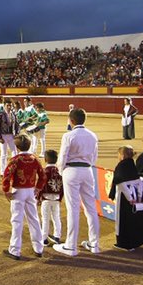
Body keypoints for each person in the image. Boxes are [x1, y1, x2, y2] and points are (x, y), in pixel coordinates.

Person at [53, 108, 101, 256]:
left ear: (71, 120)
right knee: (91, 207)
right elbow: (94, 156)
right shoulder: (92, 135)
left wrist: (61, 171)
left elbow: (62, 157)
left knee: (73, 208)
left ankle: (71, 245)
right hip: (87, 170)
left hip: (72, 170)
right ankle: (94, 244)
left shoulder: (68, 135)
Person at [1, 135, 47, 260]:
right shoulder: (34, 159)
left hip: (18, 191)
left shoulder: (15, 160)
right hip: (30, 191)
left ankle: (15, 250)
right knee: (34, 218)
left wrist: (6, 190)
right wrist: (38, 188)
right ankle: (38, 248)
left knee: (17, 220)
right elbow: (42, 176)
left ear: (17, 147)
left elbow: (6, 175)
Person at [109, 145, 143, 251]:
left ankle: (123, 243)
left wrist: (130, 198)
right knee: (132, 218)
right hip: (134, 194)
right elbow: (139, 182)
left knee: (123, 219)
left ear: (122, 155)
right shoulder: (132, 165)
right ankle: (133, 241)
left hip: (125, 197)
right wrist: (139, 196)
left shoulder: (121, 166)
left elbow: (121, 183)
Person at [38, 149, 63, 246]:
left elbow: (41, 185)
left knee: (45, 219)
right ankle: (57, 236)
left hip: (46, 199)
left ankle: (44, 239)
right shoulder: (60, 171)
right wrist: (60, 197)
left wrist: (38, 198)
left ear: (45, 160)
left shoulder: (45, 171)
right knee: (56, 217)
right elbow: (62, 187)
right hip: (56, 199)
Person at [0, 100, 20, 176]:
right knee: (3, 153)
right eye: (7, 105)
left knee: (14, 152)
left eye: (10, 105)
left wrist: (17, 133)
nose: (9, 107)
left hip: (11, 135)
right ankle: (2, 171)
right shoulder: (0, 114)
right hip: (3, 135)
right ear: (4, 105)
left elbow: (17, 124)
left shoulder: (13, 114)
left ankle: (14, 169)